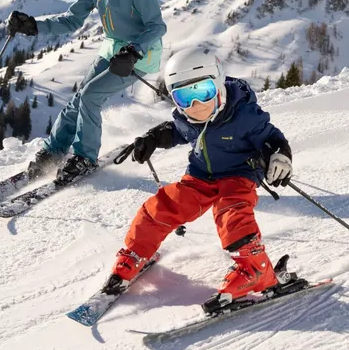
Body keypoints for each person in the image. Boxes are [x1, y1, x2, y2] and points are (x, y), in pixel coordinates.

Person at [102, 48, 295, 312]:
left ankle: (256, 270)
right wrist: (152, 139)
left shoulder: (244, 115)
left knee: (231, 214)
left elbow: (272, 138)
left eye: (202, 91)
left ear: (217, 83)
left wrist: (279, 157)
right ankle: (136, 253)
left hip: (239, 176)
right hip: (200, 176)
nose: (196, 105)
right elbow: (175, 131)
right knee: (159, 208)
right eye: (184, 96)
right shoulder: (187, 116)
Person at [7, 0, 166, 178]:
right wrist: (35, 26)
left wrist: (134, 50)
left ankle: (84, 158)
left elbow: (157, 26)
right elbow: (72, 20)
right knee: (79, 98)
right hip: (112, 49)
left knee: (91, 96)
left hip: (139, 53)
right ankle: (54, 151)